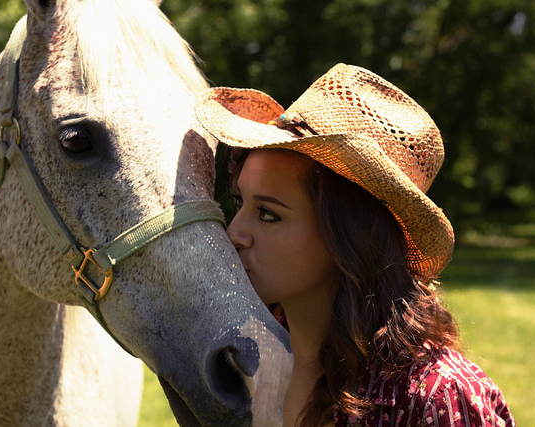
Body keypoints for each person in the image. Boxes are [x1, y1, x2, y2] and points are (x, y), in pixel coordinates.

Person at [195, 64, 516, 427]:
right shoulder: (239, 362)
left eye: (268, 214)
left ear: (349, 236)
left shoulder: (434, 397)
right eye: (239, 203)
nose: (234, 233)